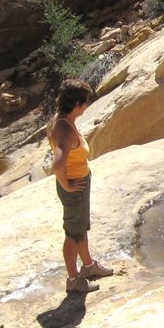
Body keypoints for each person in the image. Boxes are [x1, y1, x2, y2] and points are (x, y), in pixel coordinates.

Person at [47, 78, 113, 292]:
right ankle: (74, 280)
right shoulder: (64, 131)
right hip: (75, 188)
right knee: (73, 234)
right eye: (85, 102)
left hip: (79, 184)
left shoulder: (60, 120)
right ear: (77, 105)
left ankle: (88, 266)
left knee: (80, 229)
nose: (87, 106)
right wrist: (67, 186)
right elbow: (57, 164)